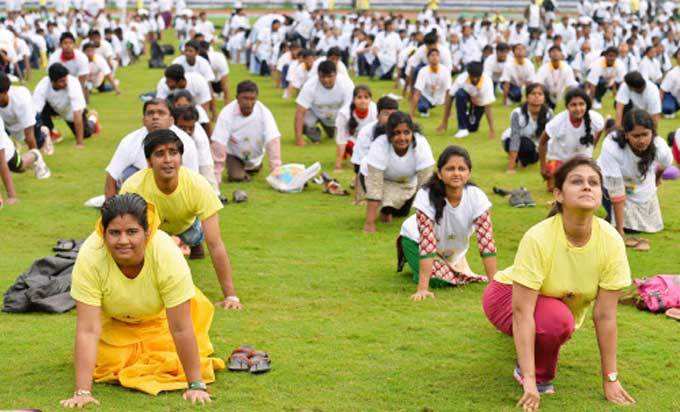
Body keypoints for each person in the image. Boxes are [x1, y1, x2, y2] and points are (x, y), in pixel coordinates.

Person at [483, 156, 635, 410]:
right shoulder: (538, 237)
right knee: (556, 321)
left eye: (593, 182)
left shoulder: (611, 240)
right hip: (505, 295)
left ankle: (533, 346)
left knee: (557, 318)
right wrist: (530, 380)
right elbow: (522, 312)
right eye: (577, 181)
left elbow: (605, 316)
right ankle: (533, 372)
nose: (587, 186)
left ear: (601, 193)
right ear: (559, 194)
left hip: (550, 304)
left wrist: (611, 378)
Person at [61, 193, 223, 407]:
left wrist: (195, 385)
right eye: (114, 233)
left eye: (132, 232)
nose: (123, 241)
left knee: (174, 363)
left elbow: (182, 328)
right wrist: (82, 392)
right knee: (107, 365)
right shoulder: (90, 255)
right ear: (103, 233)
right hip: (117, 324)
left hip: (164, 321)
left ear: (147, 233)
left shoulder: (166, 253)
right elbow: (88, 329)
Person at [120, 129, 242, 309]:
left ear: (181, 158)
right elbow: (125, 237)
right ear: (149, 162)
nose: (168, 160)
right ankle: (172, 246)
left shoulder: (198, 185)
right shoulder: (133, 186)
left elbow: (216, 244)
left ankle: (191, 244)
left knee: (197, 236)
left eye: (173, 153)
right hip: (154, 233)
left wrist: (231, 296)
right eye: (160, 154)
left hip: (189, 227)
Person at [399, 145, 497, 301]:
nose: (456, 173)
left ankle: (448, 269)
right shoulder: (425, 195)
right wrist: (423, 289)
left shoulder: (477, 196)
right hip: (414, 241)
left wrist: (494, 287)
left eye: (462, 169)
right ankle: (420, 270)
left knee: (450, 276)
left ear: (469, 173)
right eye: (450, 169)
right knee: (440, 280)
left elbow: (486, 243)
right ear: (440, 173)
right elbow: (427, 243)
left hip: (450, 251)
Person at [598, 109, 672, 236]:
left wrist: (657, 180)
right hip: (610, 184)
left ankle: (613, 219)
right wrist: (619, 231)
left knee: (641, 229)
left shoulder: (660, 147)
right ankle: (613, 219)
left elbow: (663, 165)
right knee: (625, 227)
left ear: (652, 133)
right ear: (626, 134)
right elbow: (616, 189)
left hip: (640, 186)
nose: (642, 140)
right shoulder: (611, 146)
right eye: (636, 136)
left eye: (645, 134)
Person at [104, 99, 199, 198]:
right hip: (142, 193)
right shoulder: (129, 141)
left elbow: (194, 180)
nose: (155, 117)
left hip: (176, 191)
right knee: (128, 173)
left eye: (161, 113)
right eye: (150, 113)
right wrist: (111, 210)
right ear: (144, 120)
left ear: (171, 120)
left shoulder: (186, 142)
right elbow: (111, 177)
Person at [361, 111, 434, 233]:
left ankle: (387, 210)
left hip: (406, 183)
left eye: (406, 132)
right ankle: (385, 209)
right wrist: (369, 223)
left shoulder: (421, 144)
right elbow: (374, 184)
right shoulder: (380, 144)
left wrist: (426, 224)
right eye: (397, 133)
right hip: (376, 179)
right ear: (389, 134)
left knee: (401, 213)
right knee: (377, 192)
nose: (402, 138)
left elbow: (426, 185)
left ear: (412, 132)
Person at [211, 80, 282, 182]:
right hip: (235, 156)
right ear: (237, 98)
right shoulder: (226, 113)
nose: (249, 103)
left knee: (252, 168)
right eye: (245, 98)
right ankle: (239, 170)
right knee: (236, 177)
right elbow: (219, 143)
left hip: (256, 157)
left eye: (252, 99)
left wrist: (276, 172)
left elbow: (273, 140)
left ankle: (254, 167)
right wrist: (216, 176)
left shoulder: (264, 112)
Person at [539, 87, 605, 191]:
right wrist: (543, 167)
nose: (578, 108)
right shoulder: (558, 122)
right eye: (573, 105)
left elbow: (600, 129)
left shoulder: (595, 118)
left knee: (585, 185)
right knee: (553, 188)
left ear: (586, 105)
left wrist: (592, 146)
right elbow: (542, 142)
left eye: (581, 104)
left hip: (582, 159)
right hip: (559, 158)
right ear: (567, 107)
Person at [33, 63, 99, 148]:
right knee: (39, 113)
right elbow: (35, 113)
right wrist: (35, 138)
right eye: (61, 81)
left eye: (65, 79)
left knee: (86, 134)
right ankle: (52, 133)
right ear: (52, 81)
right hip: (53, 107)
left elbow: (77, 113)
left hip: (71, 112)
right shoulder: (43, 85)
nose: (65, 82)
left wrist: (79, 143)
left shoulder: (73, 83)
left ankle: (93, 118)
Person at [294, 60, 354, 146]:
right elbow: (300, 112)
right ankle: (315, 136)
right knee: (304, 122)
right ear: (318, 74)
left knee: (332, 135)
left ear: (336, 74)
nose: (326, 80)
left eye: (329, 76)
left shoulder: (346, 84)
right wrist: (298, 139)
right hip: (316, 114)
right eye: (322, 76)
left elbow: (351, 109)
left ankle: (332, 130)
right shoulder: (309, 85)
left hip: (337, 117)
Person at [438, 61, 496, 139]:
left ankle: (467, 124)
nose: (475, 79)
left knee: (472, 128)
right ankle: (462, 128)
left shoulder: (487, 83)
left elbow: (488, 106)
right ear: (468, 74)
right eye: (472, 76)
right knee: (460, 94)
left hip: (479, 103)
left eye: (477, 77)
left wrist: (491, 129)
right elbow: (450, 97)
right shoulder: (461, 79)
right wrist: (444, 122)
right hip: (466, 98)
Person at [171, 104, 220, 196]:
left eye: (191, 128)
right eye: (182, 128)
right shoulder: (167, 133)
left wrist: (214, 194)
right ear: (173, 123)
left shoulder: (200, 138)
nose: (188, 131)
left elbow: (205, 166)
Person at [503, 83, 553, 173]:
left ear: (544, 97)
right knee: (526, 144)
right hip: (512, 140)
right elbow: (515, 138)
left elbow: (550, 139)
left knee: (532, 157)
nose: (537, 96)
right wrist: (510, 168)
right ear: (527, 97)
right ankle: (516, 159)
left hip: (536, 145)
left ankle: (522, 160)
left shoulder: (549, 113)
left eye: (540, 94)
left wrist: (547, 163)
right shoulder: (517, 113)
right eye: (533, 94)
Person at [0, 72, 52, 155]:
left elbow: (29, 136)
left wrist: (36, 161)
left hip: (30, 118)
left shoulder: (20, 100)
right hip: (8, 121)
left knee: (35, 143)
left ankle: (44, 133)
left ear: (5, 92)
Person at [334, 85, 376, 171]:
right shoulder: (344, 113)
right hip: (351, 141)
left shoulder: (374, 110)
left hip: (368, 141)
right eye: (359, 97)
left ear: (370, 99)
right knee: (351, 147)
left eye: (366, 97)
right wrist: (338, 165)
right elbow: (341, 139)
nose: (363, 101)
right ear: (353, 99)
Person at [410, 48, 451, 118]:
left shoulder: (445, 71)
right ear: (428, 58)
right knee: (422, 106)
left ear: (439, 58)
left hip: (440, 98)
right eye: (432, 55)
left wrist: (448, 113)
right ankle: (425, 109)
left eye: (437, 55)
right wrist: (411, 114)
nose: (435, 57)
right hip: (427, 97)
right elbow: (417, 92)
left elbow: (448, 91)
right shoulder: (423, 71)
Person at [660, 49, 680, 118]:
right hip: (673, 98)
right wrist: (659, 108)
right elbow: (662, 91)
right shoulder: (672, 73)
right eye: (679, 54)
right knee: (667, 109)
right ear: (677, 58)